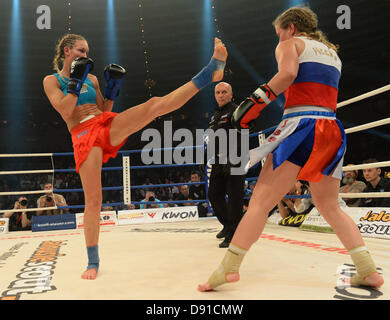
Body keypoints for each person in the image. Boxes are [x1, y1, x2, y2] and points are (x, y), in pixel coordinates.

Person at [198, 6, 383, 291]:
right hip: (332, 128)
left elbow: (286, 74)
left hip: (301, 126)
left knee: (260, 202)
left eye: (279, 32)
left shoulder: (290, 43)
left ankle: (229, 268)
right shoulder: (331, 53)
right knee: (330, 205)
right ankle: (368, 270)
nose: (279, 37)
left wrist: (254, 102)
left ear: (291, 28)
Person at [43, 34, 227, 280]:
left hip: (103, 124)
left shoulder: (93, 78)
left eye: (87, 51)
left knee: (153, 105)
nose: (86, 55)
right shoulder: (52, 81)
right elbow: (66, 110)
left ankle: (210, 71)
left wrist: (111, 90)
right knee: (94, 199)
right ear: (66, 51)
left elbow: (104, 109)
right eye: (81, 50)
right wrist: (76, 80)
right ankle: (93, 260)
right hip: (82, 134)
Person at [206, 82, 246, 248]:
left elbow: (246, 129)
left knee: (235, 197)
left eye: (224, 92)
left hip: (235, 158)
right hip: (217, 160)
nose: (221, 95)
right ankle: (228, 225)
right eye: (218, 92)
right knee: (214, 195)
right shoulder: (215, 115)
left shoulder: (237, 110)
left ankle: (234, 234)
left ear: (231, 94)